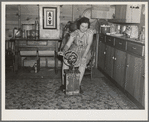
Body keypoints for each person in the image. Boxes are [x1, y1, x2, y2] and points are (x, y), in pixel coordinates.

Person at [58, 17, 95, 93]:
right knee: (65, 61)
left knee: (82, 62)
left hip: (85, 50)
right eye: (82, 26)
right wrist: (63, 51)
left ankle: (78, 85)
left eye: (86, 27)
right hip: (74, 49)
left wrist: (84, 56)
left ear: (88, 27)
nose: (84, 28)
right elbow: (68, 44)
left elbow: (88, 45)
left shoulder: (90, 33)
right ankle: (63, 84)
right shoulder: (74, 33)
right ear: (79, 25)